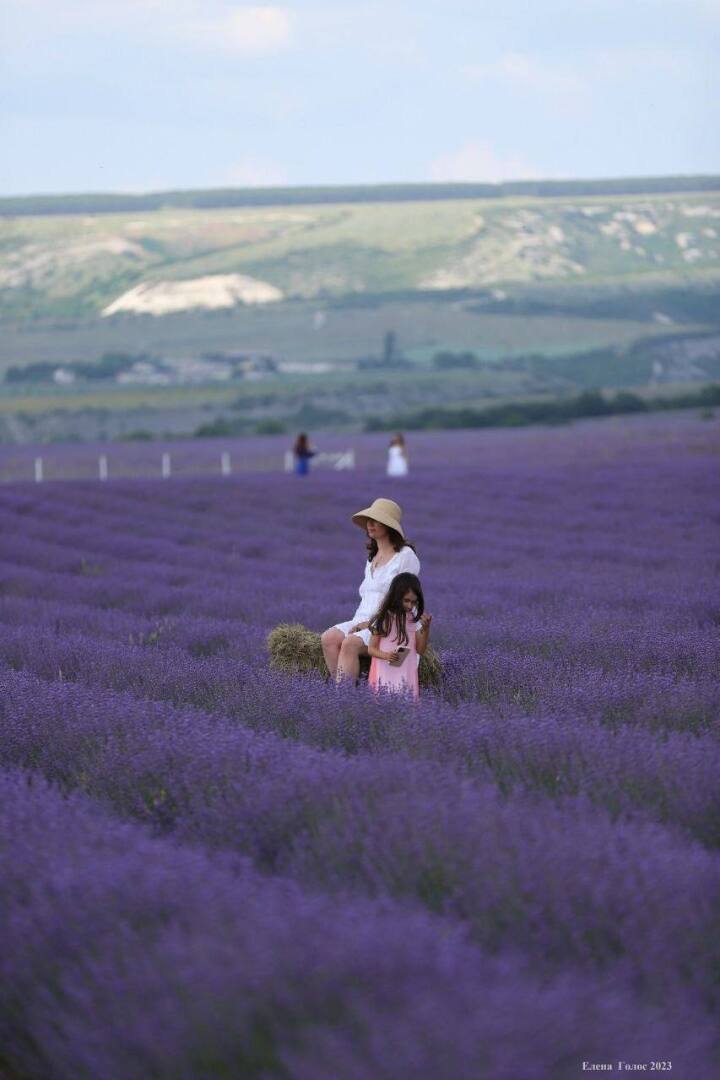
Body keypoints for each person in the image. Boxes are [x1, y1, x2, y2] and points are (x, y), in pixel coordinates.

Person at [320, 497, 420, 683]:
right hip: (362, 618)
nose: (370, 524)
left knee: (350, 644)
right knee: (329, 638)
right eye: (369, 520)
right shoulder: (372, 558)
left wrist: (372, 623)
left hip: (390, 624)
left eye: (376, 521)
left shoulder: (405, 557)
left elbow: (405, 599)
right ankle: (342, 692)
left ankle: (346, 697)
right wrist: (363, 622)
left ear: (389, 527)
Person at [368, 572, 432, 700]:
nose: (410, 606)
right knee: (383, 702)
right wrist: (386, 655)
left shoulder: (413, 619)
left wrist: (426, 629)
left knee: (407, 704)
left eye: (414, 602)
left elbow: (420, 650)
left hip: (407, 670)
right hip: (385, 670)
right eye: (406, 601)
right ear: (396, 597)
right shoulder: (384, 618)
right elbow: (371, 648)